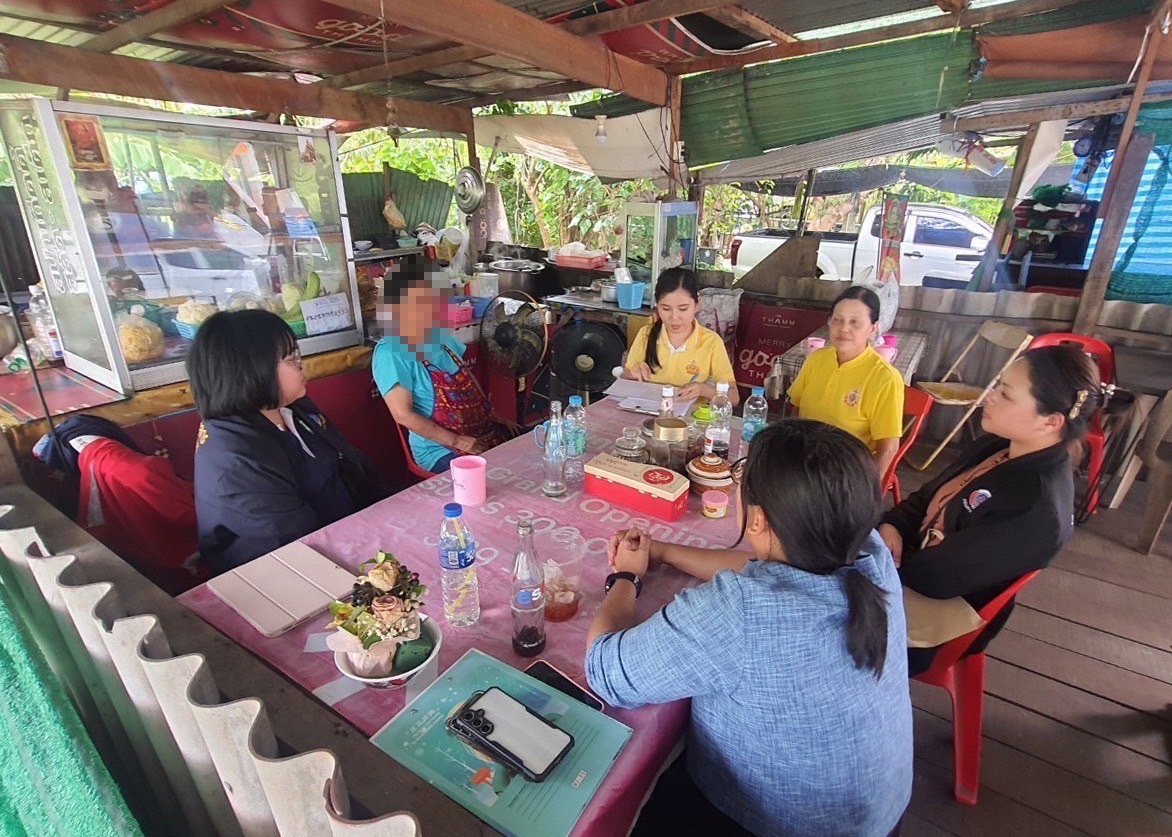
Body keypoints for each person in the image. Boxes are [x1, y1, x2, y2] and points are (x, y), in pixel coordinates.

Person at [585, 420, 912, 836]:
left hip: (779, 823)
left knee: (636, 789)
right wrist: (663, 552)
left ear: (756, 519)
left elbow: (605, 670)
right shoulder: (869, 551)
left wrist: (626, 577)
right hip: (876, 815)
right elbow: (766, 569)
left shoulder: (740, 611)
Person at [879, 344, 1123, 675]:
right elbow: (926, 496)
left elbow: (936, 579)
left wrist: (874, 560)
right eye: (997, 386)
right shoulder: (999, 446)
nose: (989, 397)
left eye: (1005, 394)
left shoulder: (1034, 508)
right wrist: (893, 524)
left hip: (938, 624)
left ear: (1050, 421)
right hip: (909, 570)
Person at [189, 310, 388, 574]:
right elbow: (293, 540)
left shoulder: (292, 408)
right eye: (291, 359)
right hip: (285, 572)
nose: (301, 365)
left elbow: (352, 463)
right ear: (252, 371)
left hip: (347, 535)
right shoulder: (233, 459)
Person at [373, 258, 512, 474]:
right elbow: (403, 415)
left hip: (480, 436)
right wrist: (458, 441)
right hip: (440, 449)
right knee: (498, 478)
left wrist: (492, 416)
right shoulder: (391, 351)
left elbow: (468, 383)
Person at [788, 285, 904, 478]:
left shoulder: (885, 378)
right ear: (829, 322)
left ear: (873, 328)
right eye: (837, 320)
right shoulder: (816, 359)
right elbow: (796, 409)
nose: (843, 328)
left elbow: (889, 447)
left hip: (845, 471)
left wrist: (868, 488)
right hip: (803, 460)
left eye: (855, 322)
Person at [623, 267, 739, 405]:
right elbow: (624, 379)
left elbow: (734, 397)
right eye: (666, 309)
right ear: (657, 305)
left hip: (689, 416)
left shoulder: (711, 342)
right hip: (646, 410)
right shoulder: (646, 334)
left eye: (683, 309)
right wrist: (632, 373)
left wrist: (703, 390)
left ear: (697, 304)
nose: (674, 317)